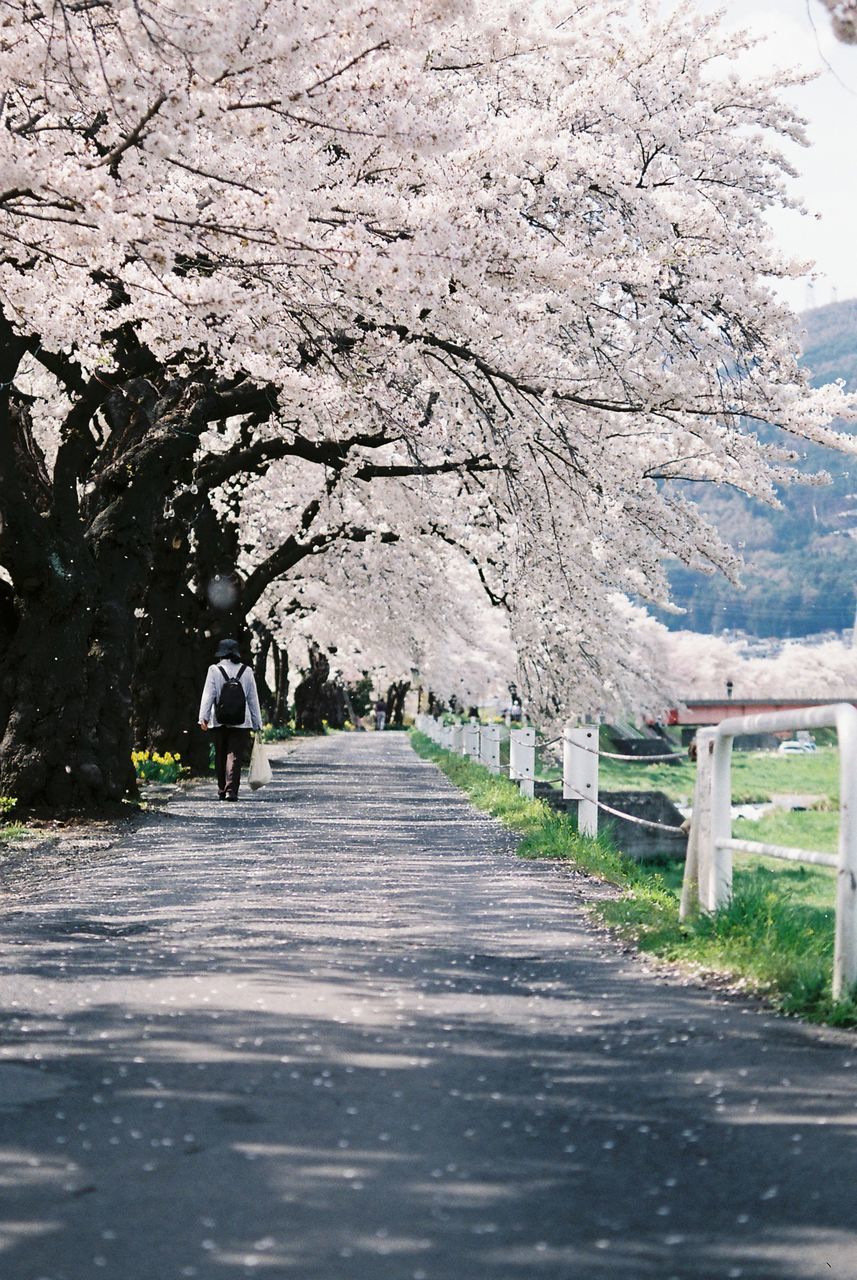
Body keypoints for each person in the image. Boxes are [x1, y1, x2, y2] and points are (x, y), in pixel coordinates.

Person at [198, 638, 263, 801]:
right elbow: (252, 698)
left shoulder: (214, 670)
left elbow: (208, 695)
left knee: (220, 753)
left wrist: (203, 717)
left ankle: (221, 788)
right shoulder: (246, 671)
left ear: (221, 654)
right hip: (241, 721)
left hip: (219, 720)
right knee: (234, 755)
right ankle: (231, 790)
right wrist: (257, 723)